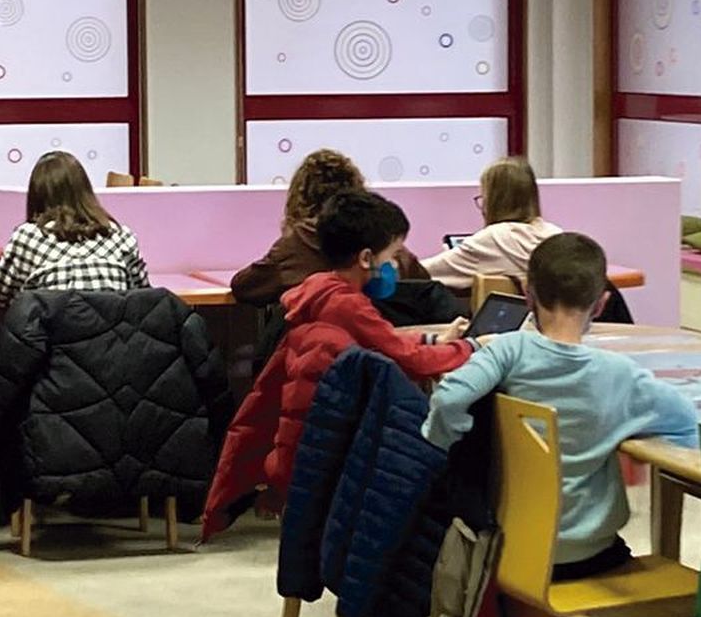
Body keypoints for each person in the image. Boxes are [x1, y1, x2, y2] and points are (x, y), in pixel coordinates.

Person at [421, 232, 698, 617]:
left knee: (614, 563)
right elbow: (684, 417)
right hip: (584, 554)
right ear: (601, 302)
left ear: (527, 294)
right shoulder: (620, 377)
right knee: (625, 570)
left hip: (510, 555)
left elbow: (452, 393)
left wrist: (444, 438)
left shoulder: (505, 351)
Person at [201, 190, 475, 535]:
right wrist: (473, 347)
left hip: (306, 443)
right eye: (391, 256)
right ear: (365, 258)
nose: (393, 267)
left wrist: (435, 339)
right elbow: (412, 362)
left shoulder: (320, 291)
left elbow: (385, 340)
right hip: (332, 454)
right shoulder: (348, 306)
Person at [231, 148, 430, 306]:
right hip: (386, 343)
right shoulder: (380, 239)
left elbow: (245, 288)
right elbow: (423, 284)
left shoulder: (299, 241)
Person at [0, 150, 149, 308]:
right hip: (116, 333)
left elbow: (0, 296)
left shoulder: (28, 237)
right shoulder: (122, 237)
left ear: (37, 195)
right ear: (85, 191)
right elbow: (144, 298)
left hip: (48, 333)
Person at [418, 157, 562, 292]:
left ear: (493, 201)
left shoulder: (492, 239)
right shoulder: (555, 236)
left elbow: (423, 272)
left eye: (483, 197)